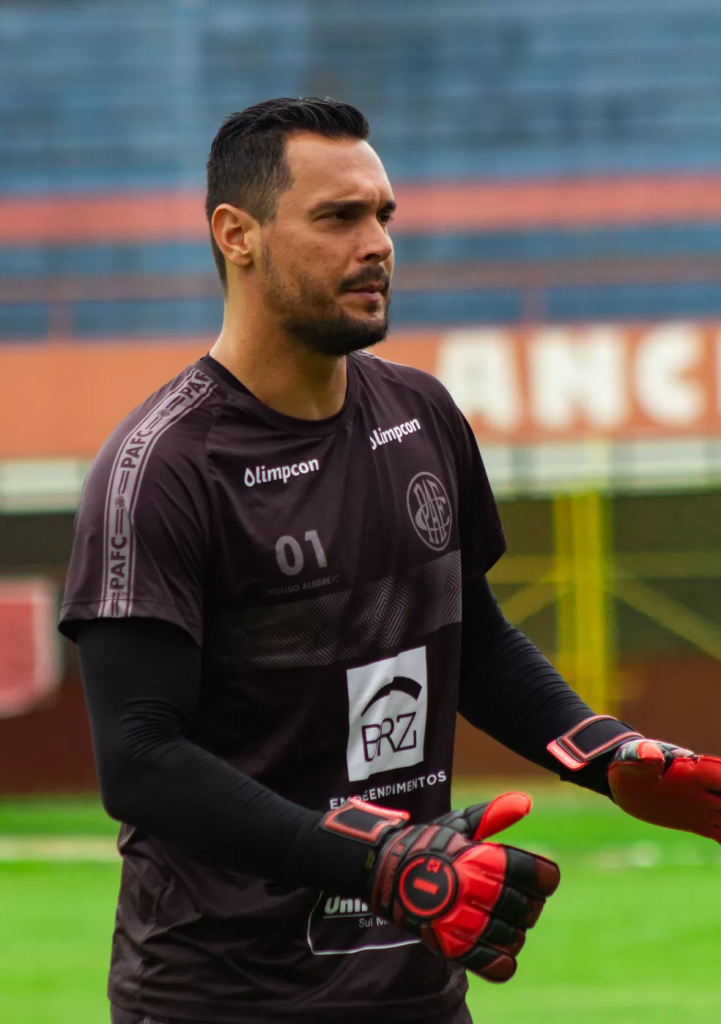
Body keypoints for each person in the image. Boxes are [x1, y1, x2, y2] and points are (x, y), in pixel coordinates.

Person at [59, 97, 721, 1024]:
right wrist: (376, 860)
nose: (375, 243)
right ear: (236, 236)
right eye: (337, 218)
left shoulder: (420, 413)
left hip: (415, 983)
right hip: (222, 999)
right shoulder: (162, 469)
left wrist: (600, 752)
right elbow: (140, 758)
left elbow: (472, 642)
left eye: (383, 216)